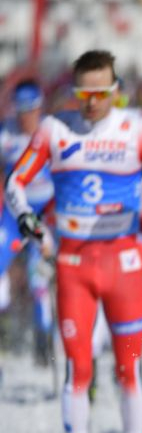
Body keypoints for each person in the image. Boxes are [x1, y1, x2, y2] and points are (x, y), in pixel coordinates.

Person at [6, 50, 142, 433]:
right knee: (79, 370)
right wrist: (29, 221)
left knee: (128, 368)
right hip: (73, 267)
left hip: (124, 267)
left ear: (115, 90)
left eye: (100, 93)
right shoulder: (55, 129)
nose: (91, 103)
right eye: (83, 93)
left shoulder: (139, 126)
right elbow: (15, 184)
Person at [0, 79, 56, 367]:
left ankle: (43, 339)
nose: (26, 117)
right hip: (12, 214)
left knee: (39, 277)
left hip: (43, 213)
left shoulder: (51, 132)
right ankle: (4, 329)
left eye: (31, 110)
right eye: (20, 111)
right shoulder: (6, 134)